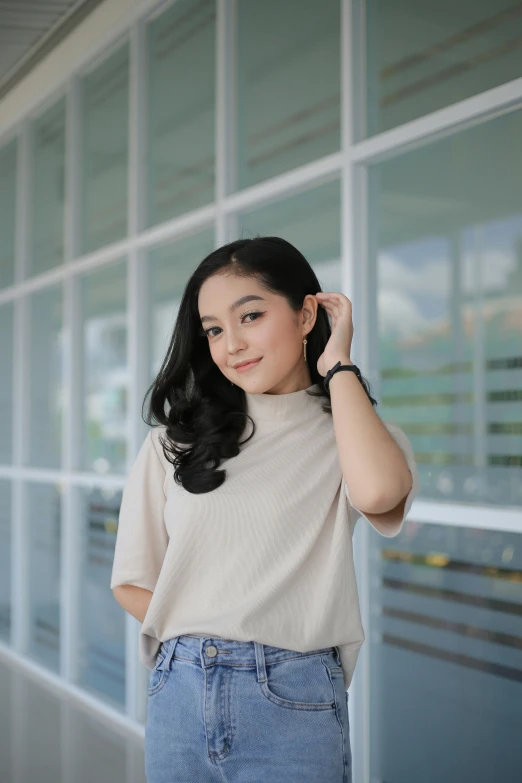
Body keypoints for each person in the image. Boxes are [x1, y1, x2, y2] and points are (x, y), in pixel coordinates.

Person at [111, 236, 419, 783]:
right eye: (213, 330)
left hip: (292, 695)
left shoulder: (354, 434)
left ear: (305, 315)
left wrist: (339, 365)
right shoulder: (173, 443)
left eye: (250, 315)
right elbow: (131, 582)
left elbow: (376, 494)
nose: (231, 345)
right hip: (180, 689)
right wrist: (206, 639)